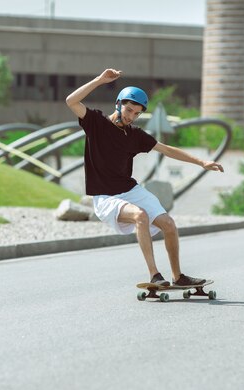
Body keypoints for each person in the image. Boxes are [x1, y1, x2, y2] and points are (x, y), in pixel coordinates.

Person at [65, 68, 224, 287]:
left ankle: (178, 277)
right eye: (129, 110)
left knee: (168, 224)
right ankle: (155, 275)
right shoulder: (96, 123)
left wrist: (201, 162)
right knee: (140, 216)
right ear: (118, 104)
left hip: (130, 190)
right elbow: (71, 101)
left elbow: (166, 149)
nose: (131, 117)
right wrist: (100, 80)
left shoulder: (134, 135)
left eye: (136, 114)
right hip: (105, 196)